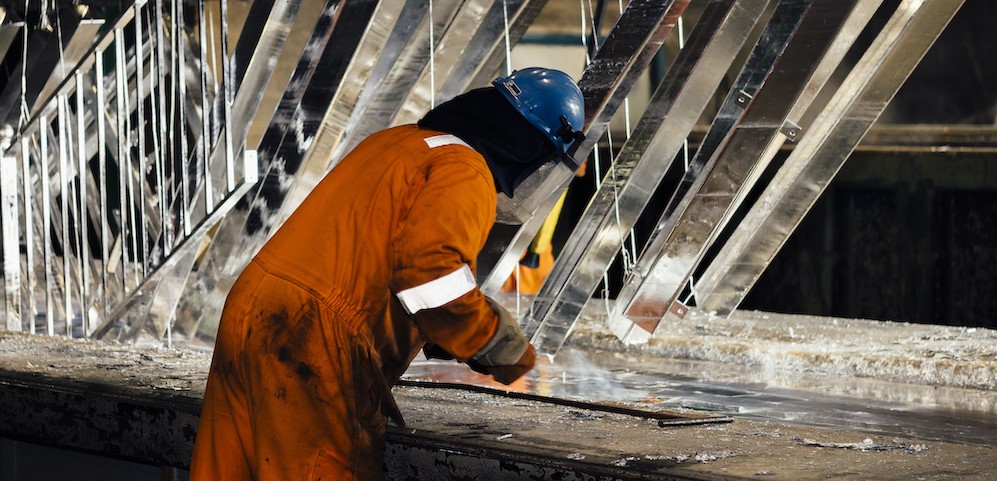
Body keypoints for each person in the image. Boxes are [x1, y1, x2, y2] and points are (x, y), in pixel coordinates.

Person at [188, 67, 585, 481]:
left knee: (229, 466)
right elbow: (431, 273)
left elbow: (374, 251)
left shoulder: (399, 142)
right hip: (314, 337)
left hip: (253, 307)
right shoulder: (465, 169)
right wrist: (492, 340)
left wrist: (432, 328)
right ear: (527, 147)